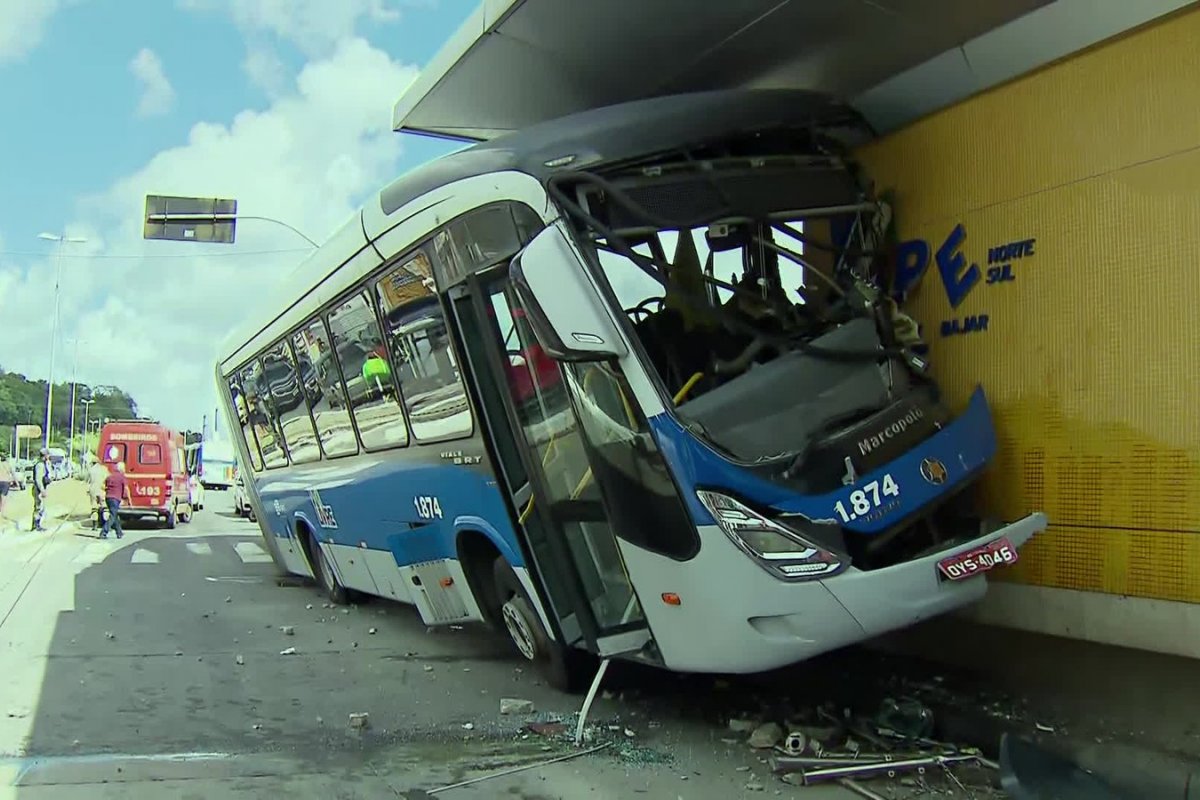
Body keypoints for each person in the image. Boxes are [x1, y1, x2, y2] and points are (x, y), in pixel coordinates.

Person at [100, 460, 130, 540]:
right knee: (113, 516)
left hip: (108, 497)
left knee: (115, 515)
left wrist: (107, 490)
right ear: (121, 469)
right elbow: (126, 488)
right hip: (115, 498)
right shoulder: (121, 477)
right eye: (124, 468)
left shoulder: (110, 476)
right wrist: (129, 499)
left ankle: (119, 532)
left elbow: (103, 486)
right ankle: (104, 532)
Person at [31, 448, 52, 532]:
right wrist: (42, 490)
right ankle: (36, 526)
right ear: (45, 455)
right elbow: (38, 479)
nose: (49, 456)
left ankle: (37, 524)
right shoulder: (40, 465)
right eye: (48, 455)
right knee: (38, 507)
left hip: (40, 488)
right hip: (38, 489)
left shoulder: (44, 463)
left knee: (41, 508)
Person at [87, 454, 110, 531]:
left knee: (94, 507)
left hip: (93, 490)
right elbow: (108, 478)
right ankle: (106, 524)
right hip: (102, 489)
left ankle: (95, 526)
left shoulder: (91, 470)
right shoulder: (104, 469)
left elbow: (88, 481)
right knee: (104, 507)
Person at [0, 453, 14, 528]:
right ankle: (2, 513)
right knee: (3, 498)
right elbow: (13, 473)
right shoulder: (8, 465)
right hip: (5, 482)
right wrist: (17, 482)